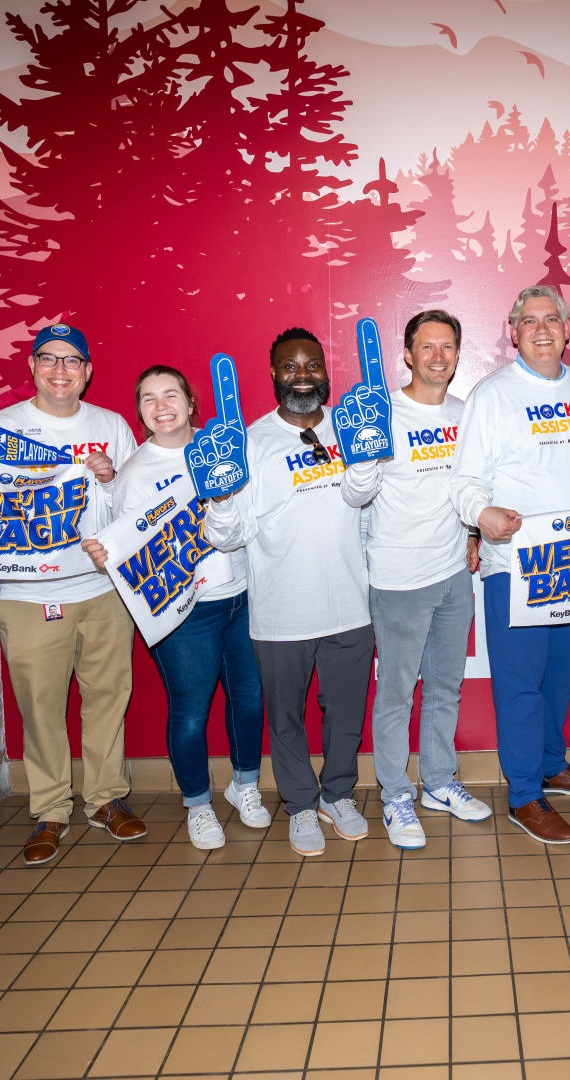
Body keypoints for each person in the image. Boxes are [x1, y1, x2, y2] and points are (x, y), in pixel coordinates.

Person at [0, 323, 145, 865]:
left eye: (72, 361)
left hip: (103, 589)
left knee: (109, 698)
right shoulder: (0, 426)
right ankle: (50, 811)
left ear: (87, 371)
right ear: (32, 367)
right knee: (39, 708)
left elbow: (130, 512)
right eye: (49, 359)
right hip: (26, 594)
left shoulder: (110, 426)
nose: (60, 370)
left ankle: (107, 800)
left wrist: (107, 482)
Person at [452, 285, 570, 845]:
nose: (543, 329)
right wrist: (482, 514)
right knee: (521, 684)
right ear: (512, 328)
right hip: (517, 564)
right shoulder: (492, 395)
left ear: (569, 328)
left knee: (560, 675)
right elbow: (466, 479)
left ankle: (552, 764)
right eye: (530, 321)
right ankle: (525, 794)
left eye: (553, 319)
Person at [81, 366, 270, 851]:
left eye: (170, 395)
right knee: (189, 711)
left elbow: (252, 516)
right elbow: (124, 544)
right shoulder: (134, 474)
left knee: (248, 699)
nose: (161, 405)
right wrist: (109, 554)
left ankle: (245, 786)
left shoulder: (226, 446)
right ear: (140, 412)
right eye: (148, 398)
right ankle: (199, 804)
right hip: (185, 612)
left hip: (245, 596)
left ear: (191, 403)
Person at [204, 328, 375, 857]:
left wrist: (365, 456)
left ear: (326, 371)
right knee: (286, 716)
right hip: (282, 609)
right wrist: (221, 493)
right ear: (273, 374)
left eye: (312, 365)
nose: (303, 375)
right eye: (290, 366)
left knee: (346, 712)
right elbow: (228, 536)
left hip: (349, 601)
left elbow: (363, 500)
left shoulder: (350, 429)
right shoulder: (250, 441)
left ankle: (337, 795)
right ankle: (301, 805)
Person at [342, 311, 490, 848]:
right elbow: (356, 496)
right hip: (399, 579)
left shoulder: (465, 412)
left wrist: (473, 533)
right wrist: (361, 454)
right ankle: (395, 794)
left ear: (456, 355)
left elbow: (471, 484)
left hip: (455, 573)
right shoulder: (382, 414)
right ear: (407, 355)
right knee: (397, 694)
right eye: (426, 347)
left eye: (447, 346)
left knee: (446, 687)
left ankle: (439, 782)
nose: (437, 356)